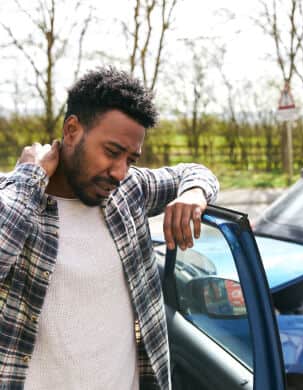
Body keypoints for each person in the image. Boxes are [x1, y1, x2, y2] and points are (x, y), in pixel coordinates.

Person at [0, 67, 219, 390]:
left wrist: (193, 193)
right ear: (72, 130)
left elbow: (197, 173)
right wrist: (30, 178)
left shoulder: (128, 191)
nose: (119, 171)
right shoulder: (16, 198)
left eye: (130, 159)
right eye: (112, 152)